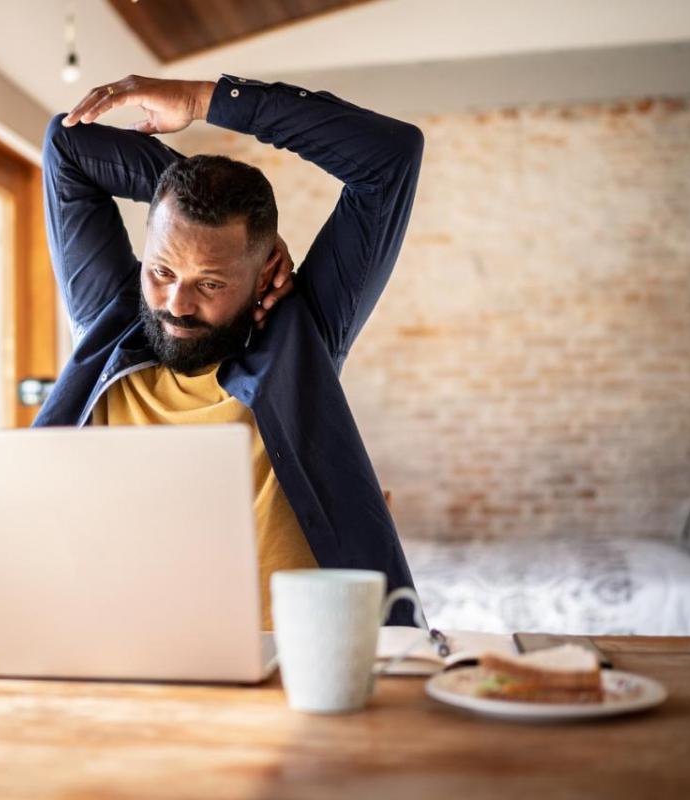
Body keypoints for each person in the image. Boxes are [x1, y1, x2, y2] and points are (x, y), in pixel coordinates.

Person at [34, 74, 424, 629]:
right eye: (162, 270)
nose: (176, 304)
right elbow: (67, 146)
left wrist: (203, 100)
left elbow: (390, 157)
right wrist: (186, 191)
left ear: (265, 271)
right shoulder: (108, 320)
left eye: (211, 283)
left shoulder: (300, 333)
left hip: (297, 665)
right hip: (124, 647)